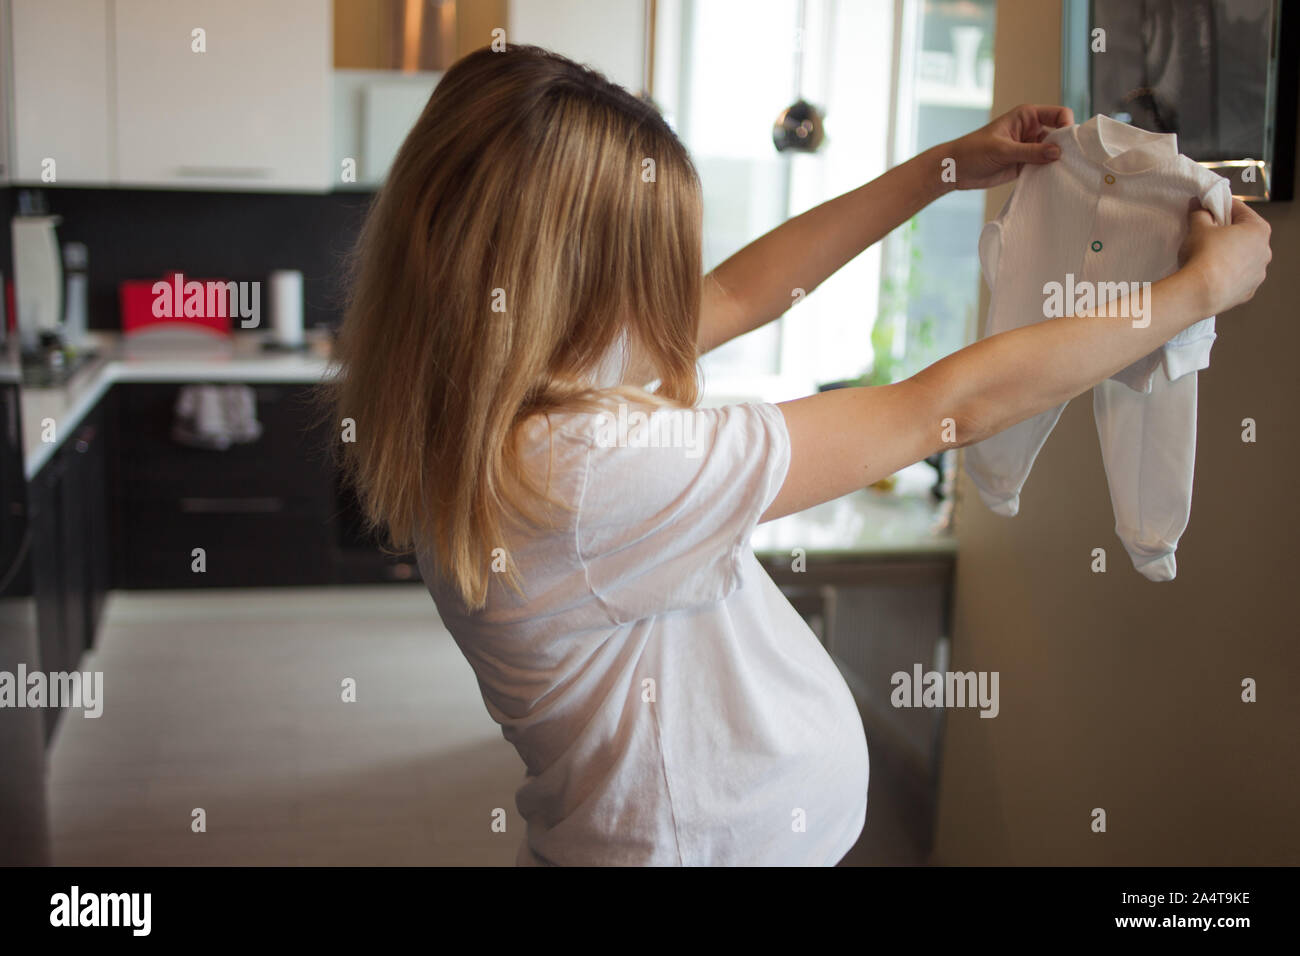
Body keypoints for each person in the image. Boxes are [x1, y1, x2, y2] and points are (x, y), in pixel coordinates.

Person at [321, 45, 1271, 865]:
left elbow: (741, 292)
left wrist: (946, 167)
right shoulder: (574, 470)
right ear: (562, 274)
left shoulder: (502, 380)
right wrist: (1194, 294)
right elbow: (940, 409)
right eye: (641, 262)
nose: (665, 290)